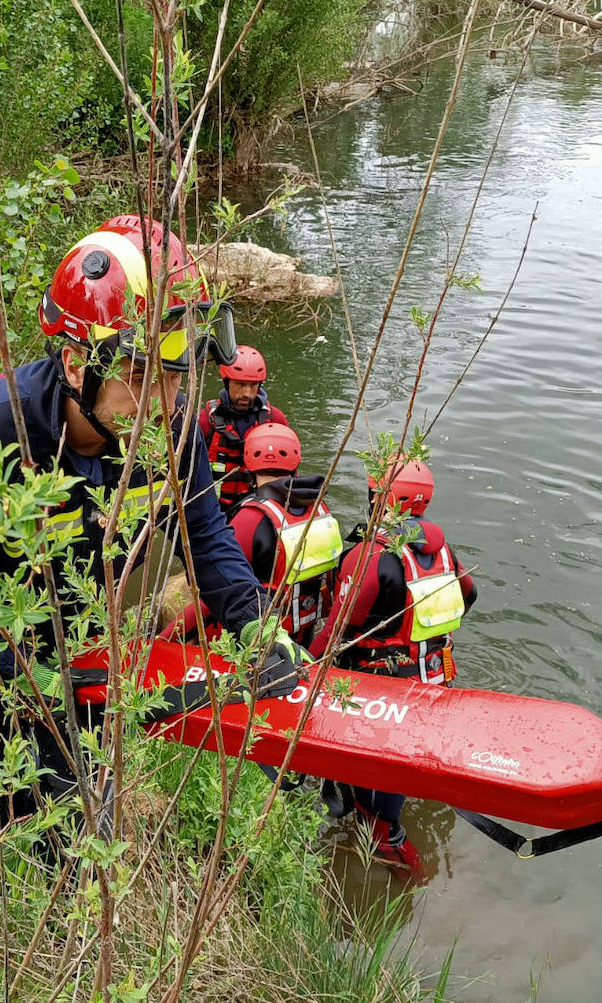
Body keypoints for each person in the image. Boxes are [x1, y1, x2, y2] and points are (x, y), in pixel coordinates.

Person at [0, 215, 303, 815]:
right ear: (77, 364)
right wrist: (8, 673)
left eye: (176, 378)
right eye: (139, 376)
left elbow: (204, 534)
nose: (163, 402)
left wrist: (255, 625)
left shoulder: (171, 432)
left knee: (78, 821)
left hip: (74, 645)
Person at [308, 459, 477, 878]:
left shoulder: (370, 557)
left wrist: (303, 670)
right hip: (436, 680)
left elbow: (334, 630)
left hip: (384, 697)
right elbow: (469, 596)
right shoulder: (441, 551)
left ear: (377, 498)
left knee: (378, 809)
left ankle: (400, 858)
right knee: (401, 768)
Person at [227, 422, 343, 649]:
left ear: (249, 468)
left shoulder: (249, 518)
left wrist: (168, 637)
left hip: (262, 639)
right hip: (305, 629)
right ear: (295, 466)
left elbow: (220, 584)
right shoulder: (320, 510)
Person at [197, 344, 287, 513]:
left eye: (253, 385)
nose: (247, 393)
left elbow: (289, 471)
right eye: (240, 384)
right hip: (213, 512)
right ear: (227, 382)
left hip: (257, 510)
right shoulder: (206, 421)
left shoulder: (274, 421)